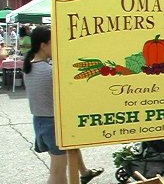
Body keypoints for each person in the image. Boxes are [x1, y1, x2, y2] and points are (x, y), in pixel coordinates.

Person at [23, 26, 104, 184]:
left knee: (71, 145)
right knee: (57, 172)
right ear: (43, 45)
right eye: (53, 42)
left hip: (40, 122)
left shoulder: (28, 67)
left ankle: (85, 172)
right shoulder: (49, 71)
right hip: (52, 123)